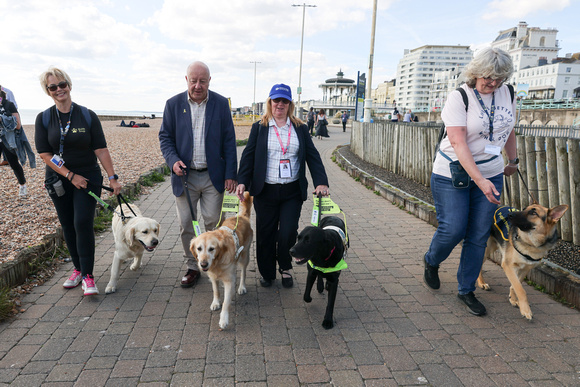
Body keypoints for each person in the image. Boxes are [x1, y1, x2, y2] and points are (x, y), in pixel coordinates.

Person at [423, 47, 518, 316]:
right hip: (454, 171)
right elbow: (458, 141)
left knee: (477, 235)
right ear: (476, 72)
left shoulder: (508, 93)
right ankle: (431, 260)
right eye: (488, 77)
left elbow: (508, 129)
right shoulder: (460, 97)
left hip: (492, 171)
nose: (493, 83)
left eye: (499, 78)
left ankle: (466, 290)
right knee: (453, 228)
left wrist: (513, 161)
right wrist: (480, 180)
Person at [35, 67, 122, 296]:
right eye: (52, 87)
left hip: (88, 178)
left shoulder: (86, 115)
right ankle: (78, 269)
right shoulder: (44, 118)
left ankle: (88, 276)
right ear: (48, 91)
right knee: (68, 225)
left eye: (62, 84)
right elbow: (44, 153)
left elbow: (101, 149)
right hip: (59, 179)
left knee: (82, 222)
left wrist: (113, 179)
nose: (58, 89)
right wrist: (69, 175)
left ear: (69, 86)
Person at [235, 84, 329, 288]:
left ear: (290, 104)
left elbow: (313, 156)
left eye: (284, 101)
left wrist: (321, 181)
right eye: (276, 100)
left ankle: (285, 267)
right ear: (270, 102)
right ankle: (267, 273)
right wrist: (242, 181)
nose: (280, 104)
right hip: (265, 189)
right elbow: (248, 156)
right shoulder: (259, 127)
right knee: (265, 233)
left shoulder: (300, 128)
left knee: (287, 232)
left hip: (291, 190)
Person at [159, 61, 237, 289]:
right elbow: (165, 138)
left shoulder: (221, 104)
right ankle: (193, 267)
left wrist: (231, 173)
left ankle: (215, 263)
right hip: (185, 177)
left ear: (209, 81)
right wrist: (173, 161)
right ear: (186, 80)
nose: (197, 85)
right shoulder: (173, 104)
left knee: (214, 223)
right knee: (186, 224)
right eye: (193, 80)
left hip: (214, 177)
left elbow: (229, 141)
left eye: (202, 81)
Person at [0, 89, 27, 196]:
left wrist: (2, 119)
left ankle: (22, 185)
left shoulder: (9, 105)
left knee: (14, 164)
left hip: (8, 139)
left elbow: (18, 125)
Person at [0, 85, 18, 166]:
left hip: (7, 122)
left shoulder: (8, 92)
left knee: (8, 141)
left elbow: (14, 106)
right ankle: (6, 159)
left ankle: (8, 159)